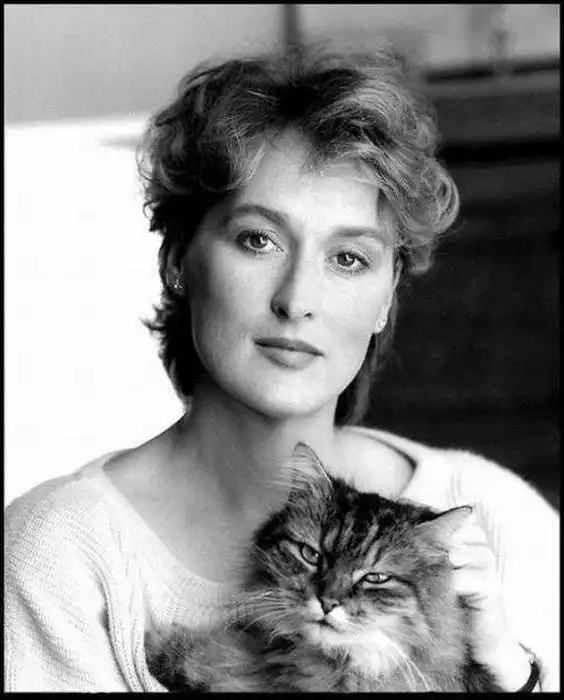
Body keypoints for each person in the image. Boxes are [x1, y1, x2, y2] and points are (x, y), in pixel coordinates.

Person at [5, 42, 558, 692]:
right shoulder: (61, 553)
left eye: (348, 258)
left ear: (387, 295)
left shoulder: (498, 515)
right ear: (179, 258)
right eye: (258, 240)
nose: (297, 301)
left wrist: (508, 672)